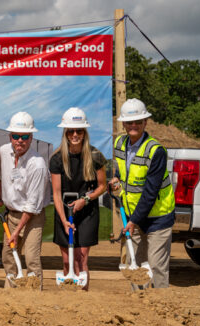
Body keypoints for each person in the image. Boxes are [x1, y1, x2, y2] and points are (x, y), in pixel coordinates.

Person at [109, 98, 175, 288]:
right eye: (130, 122)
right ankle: (138, 308)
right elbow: (122, 173)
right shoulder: (120, 143)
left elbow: (150, 192)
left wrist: (133, 221)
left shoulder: (156, 151)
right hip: (133, 216)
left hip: (158, 217)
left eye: (138, 121)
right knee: (134, 267)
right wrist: (116, 180)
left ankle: (160, 308)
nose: (134, 125)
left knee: (155, 268)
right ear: (123, 123)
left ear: (146, 122)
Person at [49, 107, 107, 291]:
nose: (75, 134)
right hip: (64, 211)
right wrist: (64, 220)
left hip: (87, 211)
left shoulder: (96, 156)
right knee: (67, 261)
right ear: (65, 133)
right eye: (71, 131)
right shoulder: (57, 159)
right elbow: (56, 193)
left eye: (79, 130)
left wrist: (86, 200)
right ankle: (67, 299)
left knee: (81, 259)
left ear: (84, 132)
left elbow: (102, 186)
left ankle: (82, 299)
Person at [0, 112, 50, 289]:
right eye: (16, 136)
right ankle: (11, 294)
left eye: (24, 136)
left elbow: (32, 206)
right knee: (8, 256)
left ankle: (34, 297)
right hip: (11, 215)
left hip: (33, 217)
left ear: (31, 137)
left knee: (31, 259)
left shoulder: (37, 165)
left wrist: (17, 232)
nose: (20, 140)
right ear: (10, 136)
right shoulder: (3, 152)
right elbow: (0, 174)